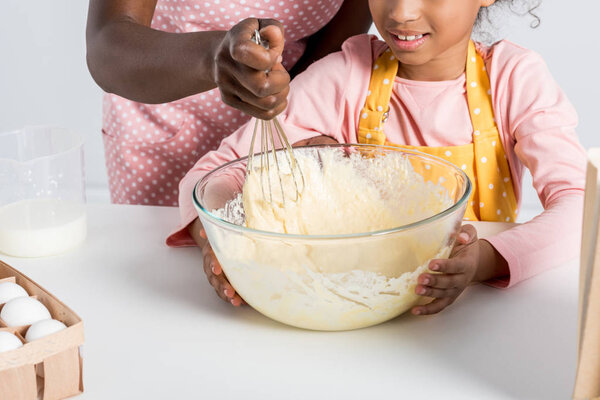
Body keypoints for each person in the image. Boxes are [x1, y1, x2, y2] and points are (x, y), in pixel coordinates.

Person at [168, 0, 586, 314]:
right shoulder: (344, 77)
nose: (401, 12)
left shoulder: (513, 80)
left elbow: (583, 205)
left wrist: (485, 261)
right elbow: (211, 176)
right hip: (352, 303)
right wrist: (223, 243)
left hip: (486, 312)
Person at [86, 0, 372, 205]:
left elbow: (349, 22)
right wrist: (214, 59)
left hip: (283, 129)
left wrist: (298, 107)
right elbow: (106, 44)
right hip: (164, 124)